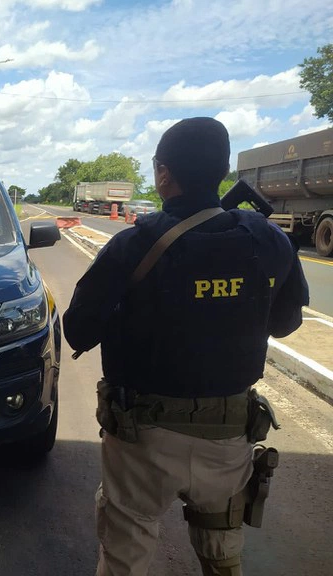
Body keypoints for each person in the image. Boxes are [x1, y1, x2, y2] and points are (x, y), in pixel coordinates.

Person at [62, 117, 309, 576]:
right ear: (222, 171)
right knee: (221, 552)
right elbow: (287, 323)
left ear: (163, 173)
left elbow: (76, 331)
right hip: (228, 434)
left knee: (125, 552)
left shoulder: (133, 243)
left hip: (141, 439)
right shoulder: (269, 239)